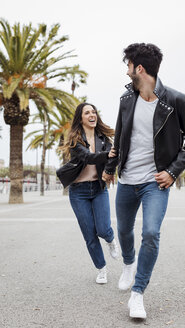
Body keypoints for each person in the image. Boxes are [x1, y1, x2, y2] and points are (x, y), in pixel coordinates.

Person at [103, 43, 185, 319]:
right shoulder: (126, 100)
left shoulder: (176, 101)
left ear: (140, 68)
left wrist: (173, 171)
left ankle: (138, 294)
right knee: (124, 231)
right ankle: (128, 263)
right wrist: (111, 167)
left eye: (128, 66)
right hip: (127, 180)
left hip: (155, 182)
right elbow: (119, 138)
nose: (126, 71)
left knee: (150, 233)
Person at [62, 102, 119, 284]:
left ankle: (110, 240)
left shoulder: (104, 139)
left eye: (93, 111)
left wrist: (108, 170)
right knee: (89, 234)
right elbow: (87, 157)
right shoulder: (75, 140)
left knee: (103, 229)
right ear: (81, 118)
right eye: (87, 113)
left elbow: (113, 158)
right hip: (78, 191)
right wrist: (107, 155)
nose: (91, 115)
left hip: (98, 188)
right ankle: (101, 269)